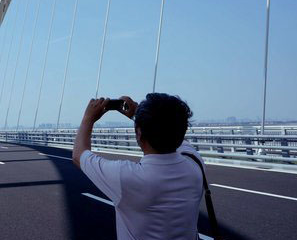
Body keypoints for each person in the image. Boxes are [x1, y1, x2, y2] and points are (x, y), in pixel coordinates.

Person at [72, 93, 204, 240]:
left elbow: (79, 155)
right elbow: (176, 133)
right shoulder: (195, 163)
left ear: (139, 134)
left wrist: (88, 118)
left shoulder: (126, 178)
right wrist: (138, 114)